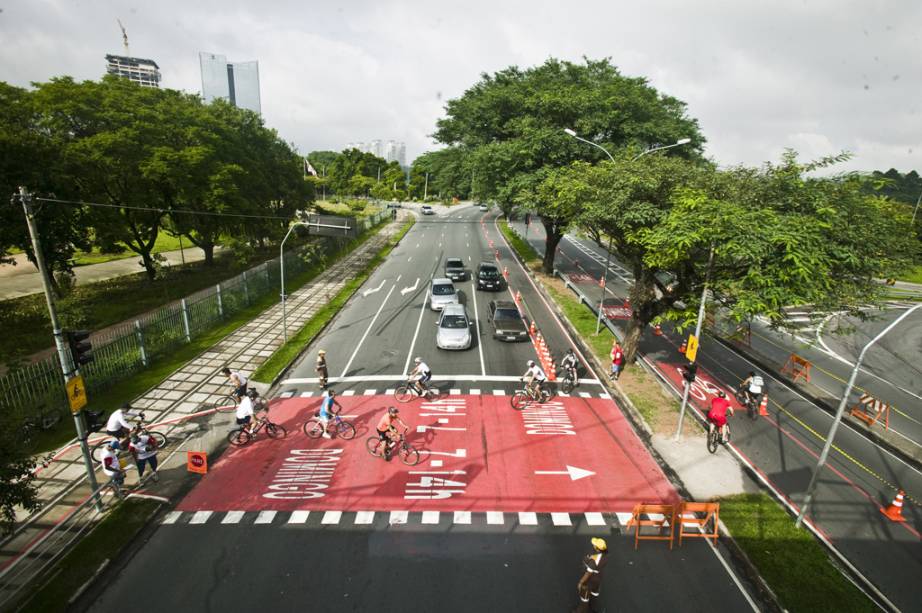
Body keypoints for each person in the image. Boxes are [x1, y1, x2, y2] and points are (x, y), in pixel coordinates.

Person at [575, 537, 609, 613]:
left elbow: (588, 573)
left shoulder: (594, 560)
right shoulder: (605, 556)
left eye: (595, 545)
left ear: (597, 548)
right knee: (594, 594)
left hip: (590, 580)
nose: (593, 545)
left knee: (584, 598)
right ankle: (593, 608)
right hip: (598, 579)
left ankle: (581, 611)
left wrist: (581, 582)